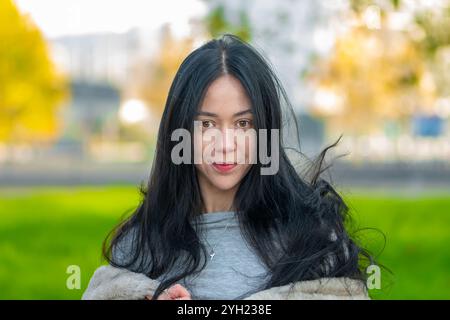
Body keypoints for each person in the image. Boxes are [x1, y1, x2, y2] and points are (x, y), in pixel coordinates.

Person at [82, 34, 375, 300]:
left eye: (243, 124)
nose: (225, 145)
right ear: (180, 130)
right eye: (207, 124)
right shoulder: (141, 244)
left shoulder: (312, 237)